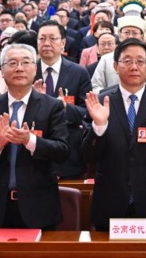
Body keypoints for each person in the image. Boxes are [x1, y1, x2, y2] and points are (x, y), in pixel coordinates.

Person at [0, 43, 70, 230]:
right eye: (12, 63)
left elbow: (62, 151)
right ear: (2, 70)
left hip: (39, 207)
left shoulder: (52, 106)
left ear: (35, 69)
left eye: (25, 62)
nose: (19, 68)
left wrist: (29, 141)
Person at [83, 38, 146, 231]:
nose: (134, 66)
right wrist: (99, 127)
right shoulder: (100, 102)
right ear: (116, 66)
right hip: (109, 202)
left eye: (140, 61)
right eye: (127, 61)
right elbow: (87, 155)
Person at [33, 21, 93, 179]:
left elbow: (87, 112)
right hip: (33, 152)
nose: (46, 43)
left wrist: (65, 108)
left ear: (63, 43)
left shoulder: (79, 72)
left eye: (52, 38)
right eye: (42, 39)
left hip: (69, 153)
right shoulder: (27, 71)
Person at [91, 16, 146, 93]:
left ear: (142, 36)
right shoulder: (106, 59)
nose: (130, 36)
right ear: (119, 35)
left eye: (135, 33)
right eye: (126, 32)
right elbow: (96, 86)